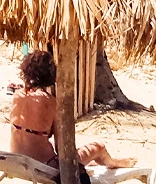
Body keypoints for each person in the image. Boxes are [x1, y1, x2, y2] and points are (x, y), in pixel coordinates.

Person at [8, 50, 136, 172]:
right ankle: (112, 162)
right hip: (44, 164)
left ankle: (96, 161)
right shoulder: (51, 102)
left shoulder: (17, 96)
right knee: (99, 147)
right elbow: (62, 147)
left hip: (16, 158)